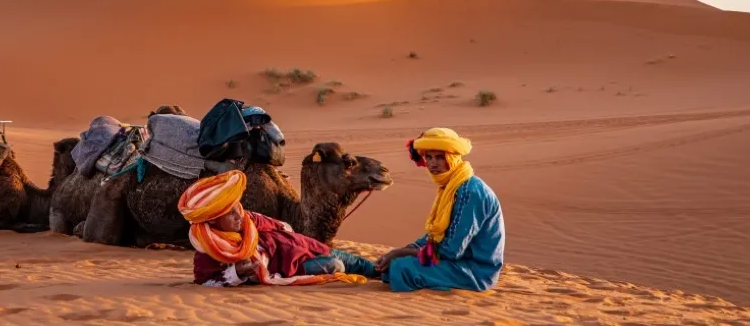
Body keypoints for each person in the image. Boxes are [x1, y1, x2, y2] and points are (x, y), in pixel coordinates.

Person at [177, 170, 379, 287]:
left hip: (306, 246)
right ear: (212, 220)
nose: (239, 215)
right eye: (229, 213)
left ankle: (388, 271)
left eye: (237, 208)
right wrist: (237, 272)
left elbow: (284, 227)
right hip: (295, 267)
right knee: (336, 266)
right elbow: (205, 282)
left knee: (367, 266)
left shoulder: (250, 219)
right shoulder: (211, 250)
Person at [375, 127, 505, 292]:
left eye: (439, 157)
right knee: (391, 265)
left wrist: (402, 252)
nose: (433, 163)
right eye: (428, 157)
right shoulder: (451, 186)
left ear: (452, 158)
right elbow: (436, 236)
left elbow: (452, 250)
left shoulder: (470, 192)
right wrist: (400, 251)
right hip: (458, 264)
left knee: (402, 268)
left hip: (475, 271)